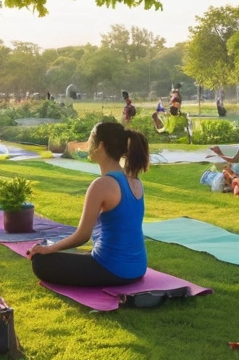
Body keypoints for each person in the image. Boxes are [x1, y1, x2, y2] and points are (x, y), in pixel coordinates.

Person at [28, 122, 150, 286]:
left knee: (40, 261)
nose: (87, 144)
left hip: (112, 269)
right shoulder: (135, 180)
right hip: (138, 267)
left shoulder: (101, 185)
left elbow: (82, 236)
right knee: (67, 254)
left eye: (90, 139)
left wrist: (50, 249)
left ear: (100, 145)